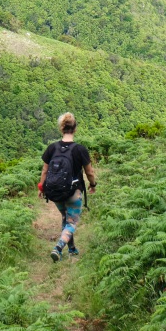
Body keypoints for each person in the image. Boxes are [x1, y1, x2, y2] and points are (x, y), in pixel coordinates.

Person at [38, 112, 97, 262]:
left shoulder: (52, 148)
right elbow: (89, 172)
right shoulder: (80, 149)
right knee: (71, 223)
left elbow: (45, 170)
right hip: (73, 192)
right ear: (75, 129)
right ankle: (58, 247)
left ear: (61, 129)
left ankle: (72, 250)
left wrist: (41, 187)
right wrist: (93, 184)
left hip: (55, 192)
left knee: (65, 217)